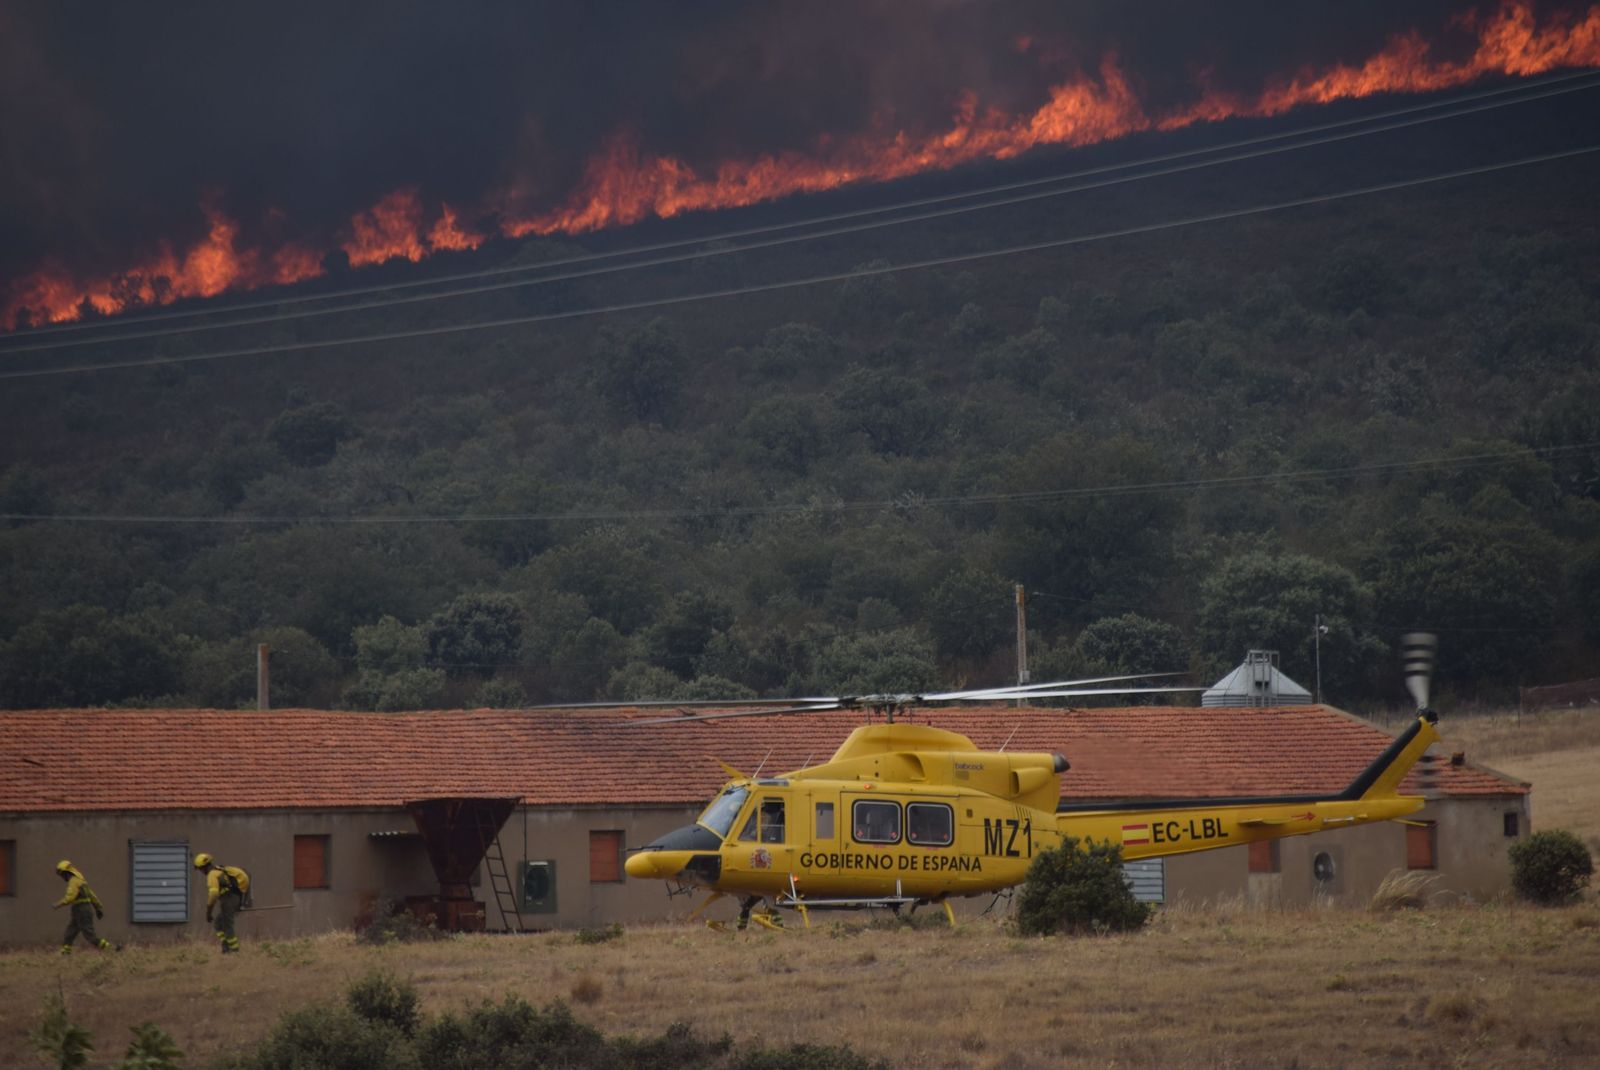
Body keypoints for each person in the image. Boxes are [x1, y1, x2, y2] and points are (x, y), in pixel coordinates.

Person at [54, 860, 118, 953]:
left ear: (66, 873)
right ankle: (65, 953)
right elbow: (92, 896)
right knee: (70, 932)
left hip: (81, 910)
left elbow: (70, 897)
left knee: (89, 935)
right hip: (81, 910)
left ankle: (111, 949)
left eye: (62, 875)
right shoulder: (81, 882)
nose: (62, 878)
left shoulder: (73, 882)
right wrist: (98, 908)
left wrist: (58, 904)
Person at [193, 852, 251, 954]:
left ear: (202, 868)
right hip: (234, 897)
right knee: (218, 924)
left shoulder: (212, 875)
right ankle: (226, 948)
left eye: (199, 869)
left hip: (228, 899)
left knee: (227, 925)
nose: (200, 872)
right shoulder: (220, 869)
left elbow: (213, 894)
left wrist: (208, 911)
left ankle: (234, 951)